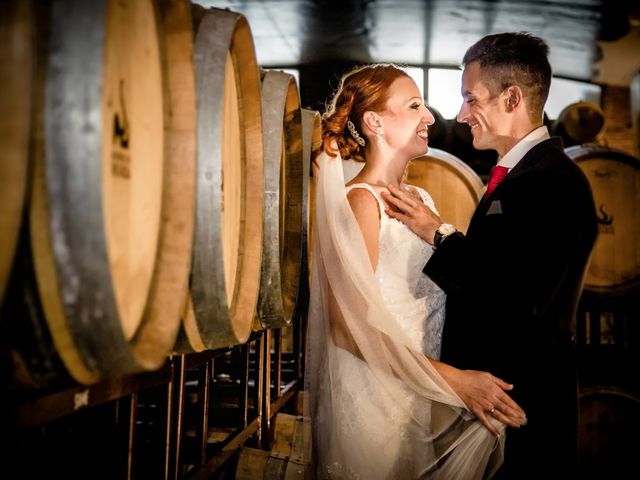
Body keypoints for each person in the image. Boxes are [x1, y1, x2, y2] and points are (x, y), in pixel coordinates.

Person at [381, 33, 598, 479]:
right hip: (495, 401)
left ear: (512, 97)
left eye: (470, 98)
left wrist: (436, 232)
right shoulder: (521, 173)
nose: (461, 115)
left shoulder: (552, 182)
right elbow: (502, 267)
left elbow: (516, 297)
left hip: (519, 406)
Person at [304, 63, 527, 480]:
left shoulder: (419, 198)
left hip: (420, 394)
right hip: (375, 394)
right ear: (374, 122)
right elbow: (345, 327)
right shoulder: (361, 203)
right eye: (414, 106)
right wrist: (455, 382)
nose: (429, 117)